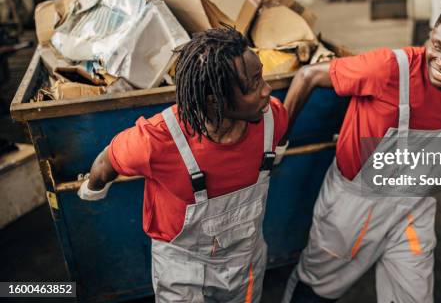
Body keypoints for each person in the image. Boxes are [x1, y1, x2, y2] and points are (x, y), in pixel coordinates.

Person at [281, 0, 441, 303]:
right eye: (437, 45)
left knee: (413, 295)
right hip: (354, 206)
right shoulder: (389, 68)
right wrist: (276, 141)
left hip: (413, 207)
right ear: (431, 33)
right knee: (319, 287)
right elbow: (308, 75)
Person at [77, 28, 288, 302]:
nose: (267, 90)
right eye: (254, 83)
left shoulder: (273, 118)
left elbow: (281, 134)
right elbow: (106, 161)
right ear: (215, 99)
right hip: (182, 269)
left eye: (262, 76)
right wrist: (92, 188)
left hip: (244, 261)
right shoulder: (157, 140)